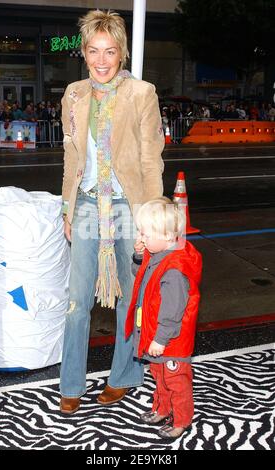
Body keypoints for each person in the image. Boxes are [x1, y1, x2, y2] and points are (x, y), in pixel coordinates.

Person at [59, 9, 164, 414]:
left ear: (121, 53)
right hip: (86, 204)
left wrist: (149, 216)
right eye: (93, 51)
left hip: (128, 208)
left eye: (110, 51)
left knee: (130, 298)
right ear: (84, 52)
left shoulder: (142, 93)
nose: (101, 61)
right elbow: (71, 157)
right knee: (76, 300)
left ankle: (123, 375)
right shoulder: (74, 93)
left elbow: (151, 160)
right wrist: (68, 208)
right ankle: (71, 383)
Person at [125, 198, 202, 440]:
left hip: (170, 340)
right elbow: (142, 278)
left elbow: (172, 311)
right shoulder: (159, 254)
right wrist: (139, 257)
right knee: (159, 375)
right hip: (155, 334)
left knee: (176, 380)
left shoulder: (174, 270)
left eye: (145, 233)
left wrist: (160, 339)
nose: (141, 237)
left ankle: (181, 420)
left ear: (168, 236)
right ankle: (161, 408)